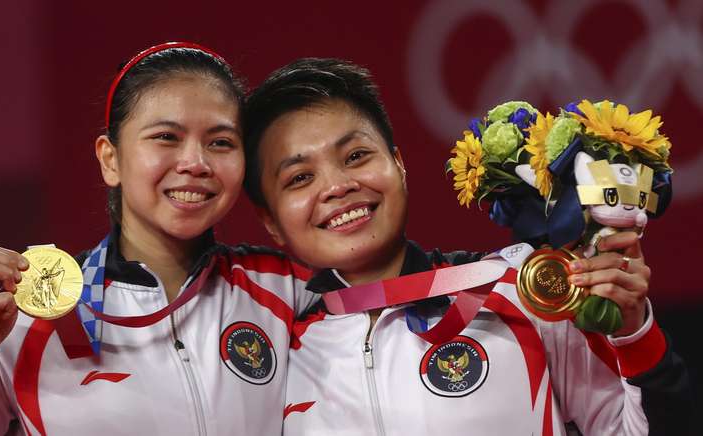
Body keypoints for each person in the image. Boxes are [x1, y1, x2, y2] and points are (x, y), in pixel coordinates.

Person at [242, 58, 693, 435]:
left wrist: (633, 332)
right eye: (300, 178)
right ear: (271, 222)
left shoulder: (525, 293)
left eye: (356, 156)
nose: (338, 186)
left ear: (398, 165)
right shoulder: (273, 360)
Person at [0, 42, 316, 436]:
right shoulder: (28, 319)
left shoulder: (287, 289)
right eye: (166, 136)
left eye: (220, 142)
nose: (196, 163)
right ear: (110, 160)